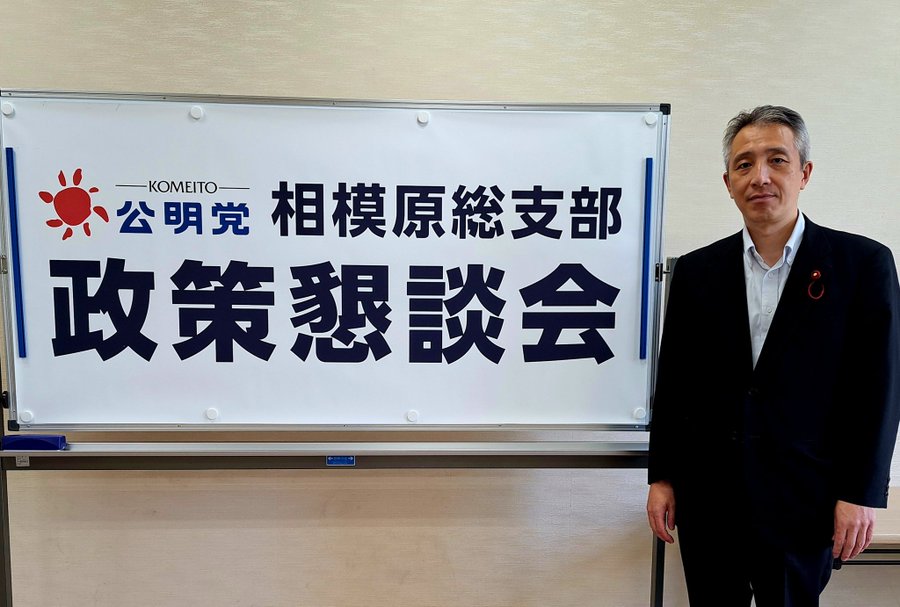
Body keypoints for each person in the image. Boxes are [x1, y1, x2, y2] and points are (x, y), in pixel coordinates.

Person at [646, 105, 900, 606]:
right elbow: (675, 384)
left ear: (804, 172)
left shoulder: (862, 264)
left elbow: (881, 389)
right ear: (728, 182)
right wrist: (662, 476)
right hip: (709, 497)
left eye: (776, 160)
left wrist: (861, 493)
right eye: (744, 164)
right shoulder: (696, 271)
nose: (759, 176)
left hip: (806, 498)